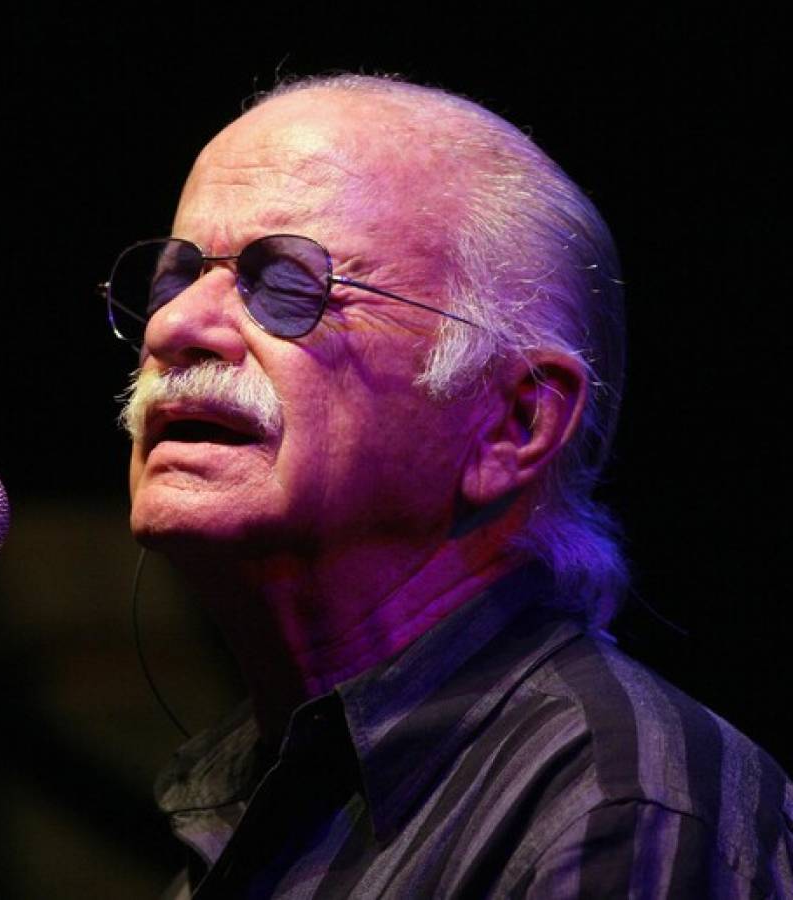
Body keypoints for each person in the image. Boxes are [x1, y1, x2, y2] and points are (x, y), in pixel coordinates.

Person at [103, 75, 792, 897]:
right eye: (174, 278)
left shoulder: (619, 804)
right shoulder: (256, 800)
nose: (173, 327)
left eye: (287, 283)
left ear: (512, 424)